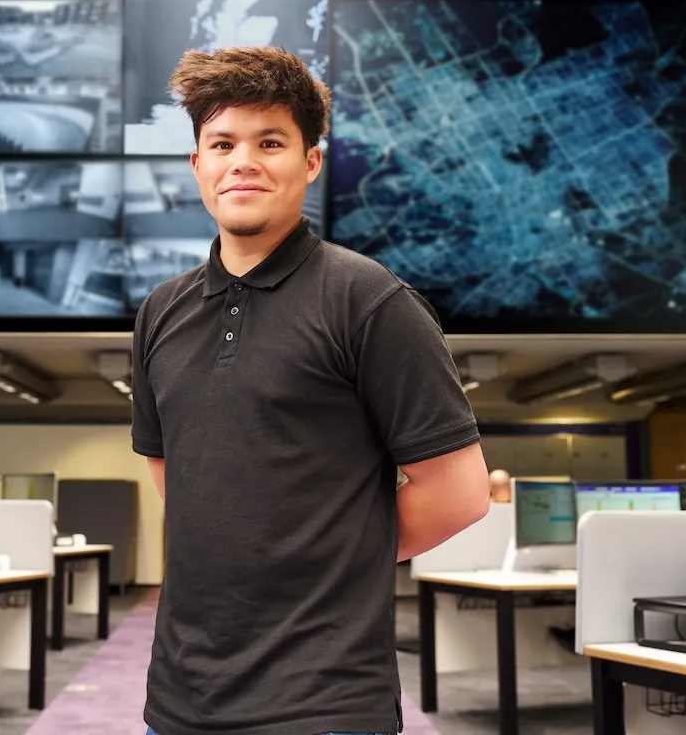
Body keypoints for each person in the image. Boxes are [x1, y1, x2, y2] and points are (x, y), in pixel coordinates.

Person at [131, 46, 492, 735]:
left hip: (325, 704)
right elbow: (176, 477)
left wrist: (325, 553)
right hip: (179, 702)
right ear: (198, 165)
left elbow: (459, 494)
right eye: (222, 143)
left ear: (311, 162)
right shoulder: (160, 313)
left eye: (271, 142)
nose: (244, 160)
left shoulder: (371, 301)